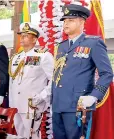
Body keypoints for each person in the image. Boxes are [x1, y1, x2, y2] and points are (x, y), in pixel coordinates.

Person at [52, 4, 113, 139]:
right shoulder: (61, 47)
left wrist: (94, 96)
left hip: (77, 106)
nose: (66, 23)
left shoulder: (93, 43)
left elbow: (107, 73)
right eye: (65, 20)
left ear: (81, 22)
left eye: (71, 20)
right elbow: (58, 74)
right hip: (57, 104)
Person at [9, 22, 53, 139]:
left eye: (26, 35)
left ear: (34, 39)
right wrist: (11, 102)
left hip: (32, 104)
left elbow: (54, 79)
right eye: (21, 35)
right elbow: (12, 81)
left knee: (32, 135)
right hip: (16, 104)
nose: (22, 38)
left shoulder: (43, 56)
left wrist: (42, 96)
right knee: (19, 135)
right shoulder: (16, 57)